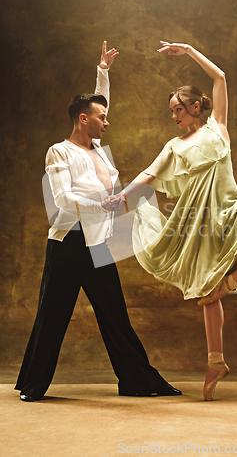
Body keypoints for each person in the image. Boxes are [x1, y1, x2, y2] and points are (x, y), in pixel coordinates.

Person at [106, 41, 237, 401]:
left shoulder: (217, 128)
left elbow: (220, 76)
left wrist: (190, 50)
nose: (175, 116)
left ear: (196, 106)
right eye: (172, 111)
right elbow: (148, 175)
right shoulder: (174, 146)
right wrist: (122, 197)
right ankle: (216, 362)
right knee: (206, 295)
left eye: (179, 109)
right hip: (199, 223)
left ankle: (228, 283)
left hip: (232, 213)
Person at [15, 41, 181, 401]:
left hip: (99, 244)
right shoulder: (59, 151)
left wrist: (103, 71)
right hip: (68, 244)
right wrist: (104, 206)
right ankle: (32, 385)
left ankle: (139, 381)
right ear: (82, 120)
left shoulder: (99, 153)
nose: (107, 121)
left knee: (116, 316)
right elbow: (61, 200)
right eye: (101, 118)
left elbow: (99, 104)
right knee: (53, 315)